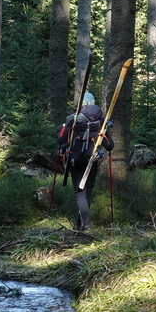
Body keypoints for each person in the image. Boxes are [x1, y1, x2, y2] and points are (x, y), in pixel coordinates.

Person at [57, 92, 113, 231]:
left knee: (80, 192)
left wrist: (64, 127)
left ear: (82, 105)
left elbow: (61, 139)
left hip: (75, 160)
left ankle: (85, 224)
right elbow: (110, 145)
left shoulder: (73, 119)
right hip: (92, 160)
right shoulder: (101, 121)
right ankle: (81, 224)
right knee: (87, 191)